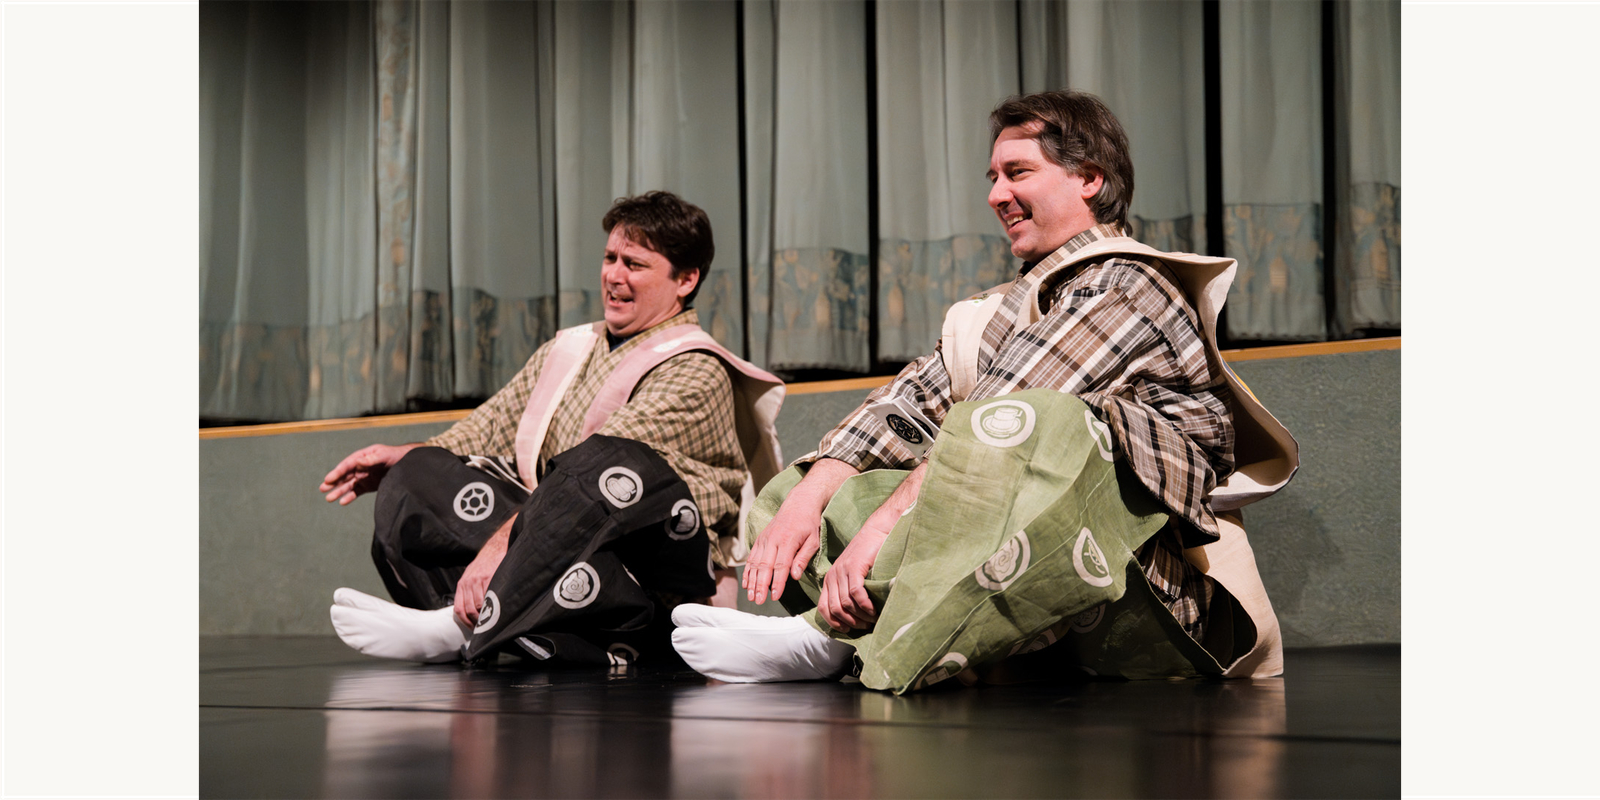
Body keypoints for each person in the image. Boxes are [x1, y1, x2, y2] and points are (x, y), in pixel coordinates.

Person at [671, 91, 1298, 693]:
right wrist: (810, 496)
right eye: (993, 177)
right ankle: (857, 631)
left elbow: (1002, 414)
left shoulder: (1129, 284)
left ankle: (831, 639)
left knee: (1029, 425)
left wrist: (879, 531)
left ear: (1090, 178)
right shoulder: (996, 309)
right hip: (1035, 615)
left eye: (1018, 172)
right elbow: (904, 406)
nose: (997, 195)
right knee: (806, 484)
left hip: (1147, 596)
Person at [321, 191, 783, 665]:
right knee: (415, 475)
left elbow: (592, 475)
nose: (614, 276)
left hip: (646, 583)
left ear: (685, 280)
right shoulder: (571, 348)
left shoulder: (697, 368)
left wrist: (502, 547)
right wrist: (405, 455)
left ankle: (463, 626)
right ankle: (478, 621)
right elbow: (490, 426)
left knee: (612, 465)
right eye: (610, 258)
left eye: (635, 264)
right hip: (554, 551)